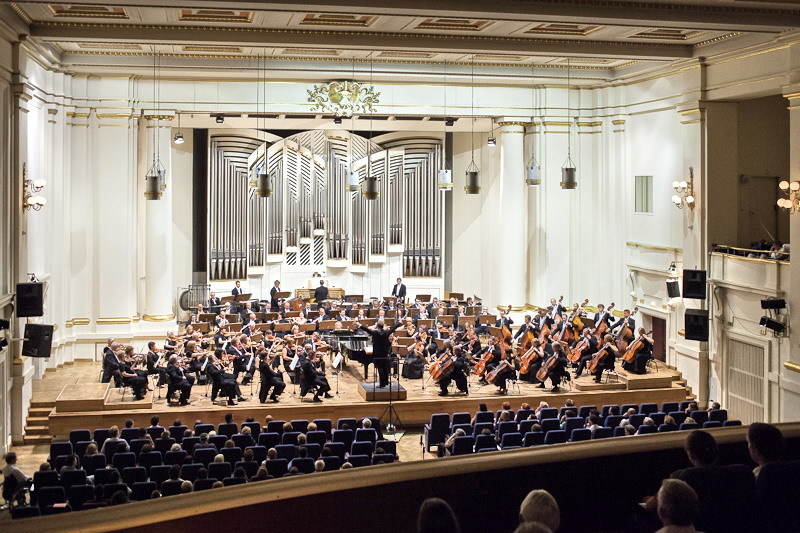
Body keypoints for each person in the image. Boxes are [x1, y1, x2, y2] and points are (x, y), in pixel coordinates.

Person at [357, 318, 402, 388]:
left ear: (377, 326)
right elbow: (393, 329)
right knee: (385, 367)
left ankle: (382, 384)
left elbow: (367, 329)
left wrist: (359, 325)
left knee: (380, 368)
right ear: (383, 326)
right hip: (384, 352)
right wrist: (399, 323)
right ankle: (386, 382)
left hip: (377, 353)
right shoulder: (386, 332)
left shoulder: (375, 333)